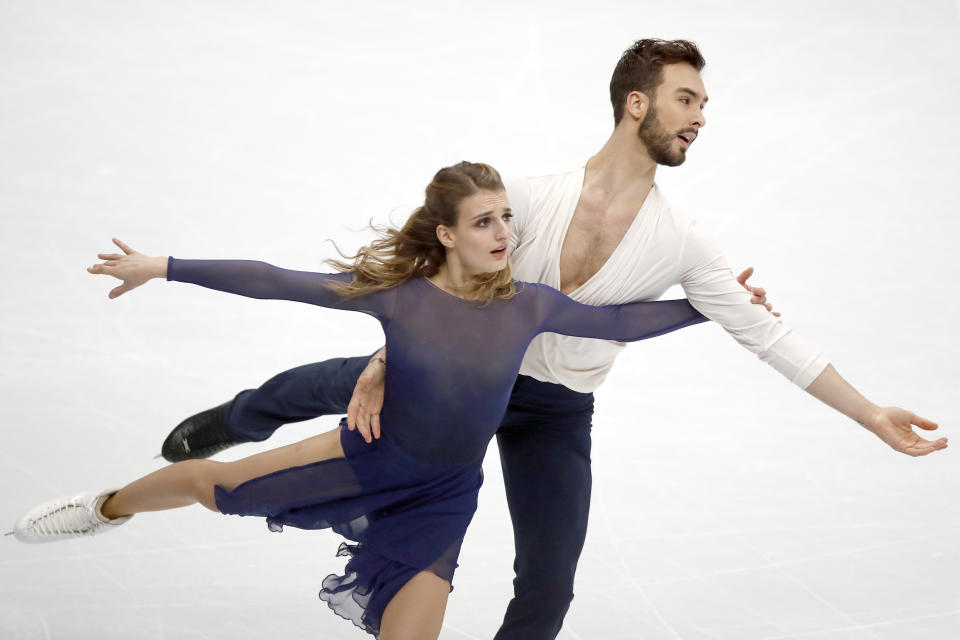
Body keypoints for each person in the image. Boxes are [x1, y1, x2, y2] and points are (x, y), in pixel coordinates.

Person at [153, 38, 949, 640]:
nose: (702, 117)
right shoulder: (526, 200)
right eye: (686, 99)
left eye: (703, 104)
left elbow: (772, 338)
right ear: (637, 104)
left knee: (550, 586)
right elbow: (431, 278)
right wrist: (387, 357)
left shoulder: (684, 243)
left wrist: (870, 412)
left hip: (553, 411)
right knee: (312, 385)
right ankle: (237, 419)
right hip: (454, 374)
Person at [11, 161, 714, 639]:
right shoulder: (401, 300)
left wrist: (711, 304)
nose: (504, 234)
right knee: (209, 484)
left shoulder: (528, 306)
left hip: (443, 498)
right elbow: (274, 280)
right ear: (446, 234)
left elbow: (620, 322)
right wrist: (163, 267)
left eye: (505, 218)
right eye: (483, 223)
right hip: (371, 459)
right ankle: (102, 508)